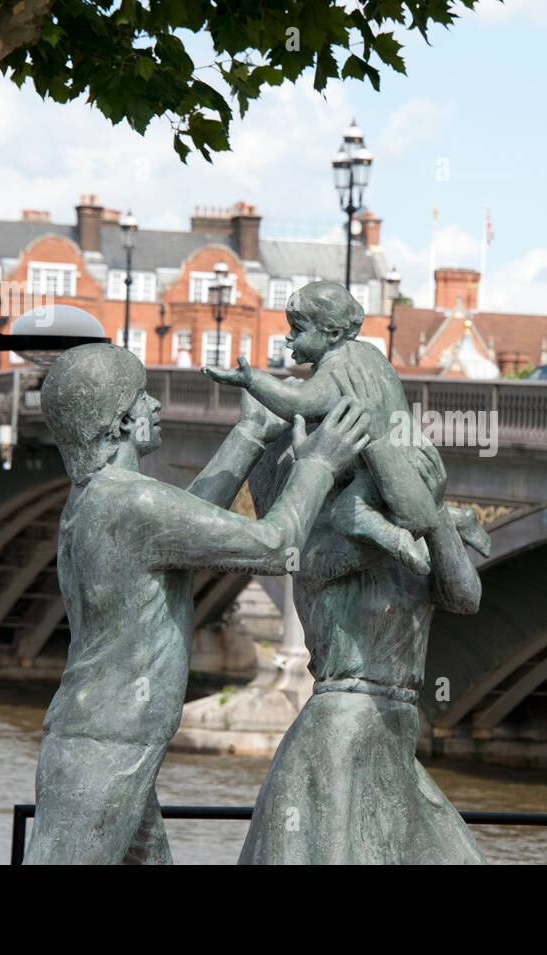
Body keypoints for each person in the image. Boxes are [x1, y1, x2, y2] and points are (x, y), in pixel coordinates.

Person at [24, 343, 372, 865]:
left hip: (112, 740)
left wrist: (250, 432)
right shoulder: (130, 502)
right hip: (107, 747)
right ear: (119, 422)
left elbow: (187, 527)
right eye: (143, 399)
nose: (157, 407)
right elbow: (276, 547)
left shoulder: (101, 499)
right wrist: (319, 464)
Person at [238, 365, 489, 864]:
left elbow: (466, 597)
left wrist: (433, 517)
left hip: (394, 731)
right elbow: (332, 562)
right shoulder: (318, 543)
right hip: (339, 734)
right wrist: (389, 528)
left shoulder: (413, 534)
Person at [206, 281, 482, 575]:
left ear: (334, 333)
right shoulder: (370, 356)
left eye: (298, 330)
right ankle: (454, 518)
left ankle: (397, 541)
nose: (289, 339)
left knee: (344, 511)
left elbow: (297, 402)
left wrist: (251, 381)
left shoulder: (338, 370)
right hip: (416, 459)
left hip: (381, 471)